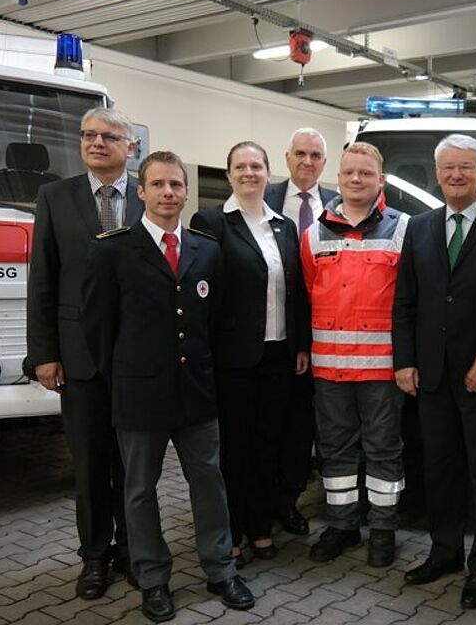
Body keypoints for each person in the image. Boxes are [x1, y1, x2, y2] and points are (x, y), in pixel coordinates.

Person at [81, 151, 254, 622]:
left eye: (176, 185)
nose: (168, 194)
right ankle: (154, 579)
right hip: (139, 394)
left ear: (185, 191)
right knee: (139, 490)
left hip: (196, 391)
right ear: (140, 192)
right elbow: (98, 328)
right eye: (157, 185)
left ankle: (220, 570)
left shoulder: (206, 249)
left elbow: (213, 323)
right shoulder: (112, 249)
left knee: (209, 483)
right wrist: (125, 377)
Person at [393, 134, 476, 609]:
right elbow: (405, 301)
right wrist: (405, 360)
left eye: (466, 168)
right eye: (449, 167)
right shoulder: (419, 227)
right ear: (438, 173)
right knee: (440, 469)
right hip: (430, 376)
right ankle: (445, 552)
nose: (456, 175)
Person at [27, 107, 141, 598]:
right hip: (79, 358)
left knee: (135, 463)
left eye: (108, 136)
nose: (96, 143)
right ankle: (94, 556)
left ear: (130, 147)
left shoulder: (151, 195)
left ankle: (133, 551)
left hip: (137, 358)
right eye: (88, 136)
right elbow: (43, 282)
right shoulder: (56, 197)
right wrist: (44, 354)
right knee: (91, 463)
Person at [190, 142, 310, 566]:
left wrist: (299, 345)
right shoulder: (211, 222)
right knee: (234, 450)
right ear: (228, 175)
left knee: (268, 446)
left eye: (256, 166)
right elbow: (201, 292)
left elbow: (294, 293)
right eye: (240, 166)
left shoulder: (283, 227)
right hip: (232, 360)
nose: (249, 173)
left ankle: (261, 525)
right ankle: (234, 531)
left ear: (267, 171)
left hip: (278, 357)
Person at [300, 142, 409, 568]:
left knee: (384, 449)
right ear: (338, 178)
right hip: (329, 369)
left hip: (382, 370)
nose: (356, 180)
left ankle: (383, 528)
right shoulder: (313, 234)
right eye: (349, 173)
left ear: (380, 180)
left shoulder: (403, 230)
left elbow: (408, 302)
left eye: (365, 173)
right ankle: (342, 525)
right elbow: (310, 291)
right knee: (335, 449)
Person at [264, 128, 340, 535]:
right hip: (278, 336)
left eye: (315, 155)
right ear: (287, 158)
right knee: (274, 421)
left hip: (327, 339)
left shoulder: (339, 205)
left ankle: (290, 500)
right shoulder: (265, 199)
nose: (307, 162)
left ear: (324, 164)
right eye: (300, 154)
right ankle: (266, 497)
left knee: (303, 428)